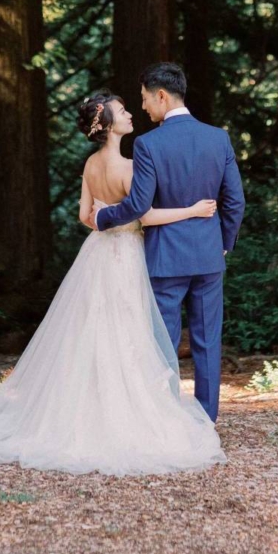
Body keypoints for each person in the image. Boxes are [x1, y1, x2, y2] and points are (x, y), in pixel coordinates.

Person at [0, 89, 226, 476]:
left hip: (97, 253)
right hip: (127, 255)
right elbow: (144, 216)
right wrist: (192, 209)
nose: (131, 113)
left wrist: (106, 218)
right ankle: (125, 414)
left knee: (91, 332)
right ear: (109, 124)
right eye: (123, 110)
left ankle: (85, 409)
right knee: (127, 334)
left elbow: (86, 215)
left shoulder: (89, 165)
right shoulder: (131, 166)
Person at [92, 62, 245, 422]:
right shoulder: (218, 138)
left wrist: (103, 217)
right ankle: (207, 421)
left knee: (164, 343)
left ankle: (167, 421)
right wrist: (223, 243)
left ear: (162, 95)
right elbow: (235, 201)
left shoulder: (148, 144)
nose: (143, 107)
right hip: (208, 257)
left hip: (165, 259)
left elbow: (138, 205)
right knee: (208, 342)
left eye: (145, 99)